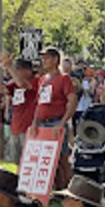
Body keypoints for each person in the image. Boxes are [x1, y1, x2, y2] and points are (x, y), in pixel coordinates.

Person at [31, 47, 77, 189]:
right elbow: (39, 104)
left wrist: (62, 123)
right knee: (46, 159)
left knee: (62, 158)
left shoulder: (64, 78)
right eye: (43, 58)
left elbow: (72, 100)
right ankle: (54, 187)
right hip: (42, 124)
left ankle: (69, 187)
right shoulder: (42, 80)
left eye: (47, 58)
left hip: (56, 122)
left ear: (55, 59)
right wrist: (34, 123)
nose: (44, 61)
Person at [0, 54, 38, 165]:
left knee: (29, 161)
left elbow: (22, 84)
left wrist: (9, 66)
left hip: (28, 127)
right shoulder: (14, 84)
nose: (15, 72)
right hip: (16, 127)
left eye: (18, 69)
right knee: (16, 161)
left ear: (27, 71)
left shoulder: (35, 81)